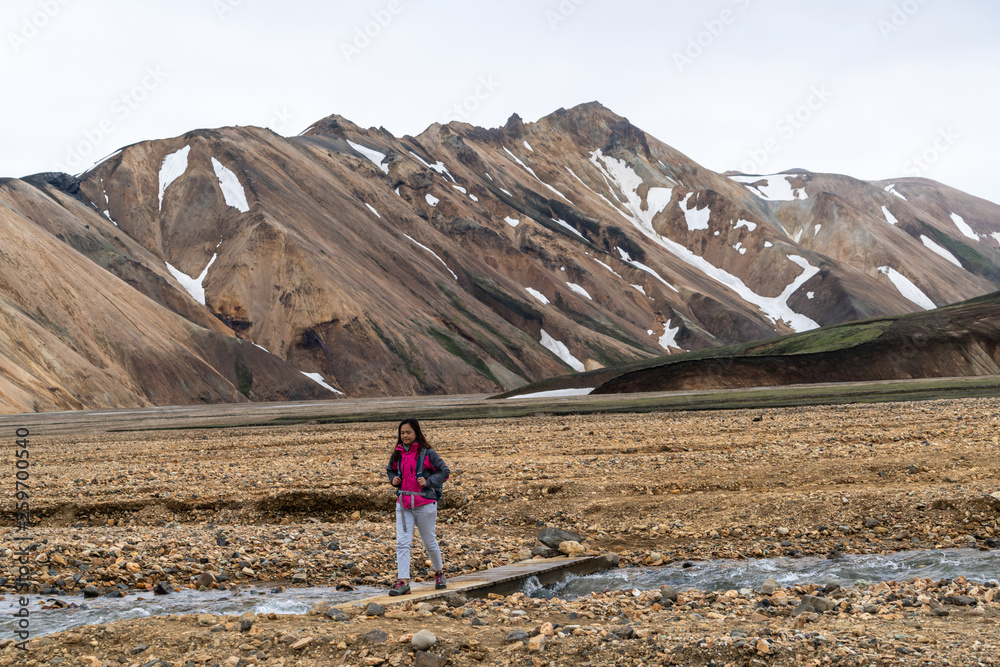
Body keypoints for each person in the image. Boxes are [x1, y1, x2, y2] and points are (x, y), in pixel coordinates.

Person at [385, 418, 449, 595]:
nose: (404, 436)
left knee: (429, 541)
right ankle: (403, 582)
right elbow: (390, 470)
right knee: (402, 543)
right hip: (404, 503)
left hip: (425, 504)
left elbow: (444, 471)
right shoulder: (398, 453)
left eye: (408, 432)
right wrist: (393, 480)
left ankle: (439, 573)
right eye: (402, 433)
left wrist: (428, 482)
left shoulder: (428, 453)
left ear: (416, 433)